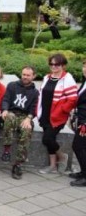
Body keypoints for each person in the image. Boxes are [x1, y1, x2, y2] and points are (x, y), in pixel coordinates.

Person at [37, 53, 78, 174]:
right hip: (45, 113)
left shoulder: (67, 78)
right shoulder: (47, 77)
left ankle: (62, 156)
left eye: (57, 64)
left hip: (57, 116)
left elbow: (72, 98)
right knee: (50, 139)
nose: (54, 66)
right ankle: (52, 165)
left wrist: (61, 111)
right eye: (51, 64)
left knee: (48, 139)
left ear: (63, 65)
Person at [0, 66, 39, 180]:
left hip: (24, 116)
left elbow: (34, 108)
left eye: (28, 75)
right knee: (9, 118)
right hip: (12, 112)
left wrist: (29, 118)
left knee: (26, 130)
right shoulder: (12, 85)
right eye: (24, 74)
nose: (25, 77)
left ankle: (18, 164)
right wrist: (5, 109)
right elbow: (6, 99)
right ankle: (6, 150)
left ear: (33, 76)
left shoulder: (35, 92)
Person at [69, 59, 86, 187]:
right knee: (81, 147)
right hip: (81, 119)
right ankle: (82, 172)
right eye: (84, 66)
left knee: (78, 146)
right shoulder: (85, 82)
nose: (85, 69)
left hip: (85, 122)